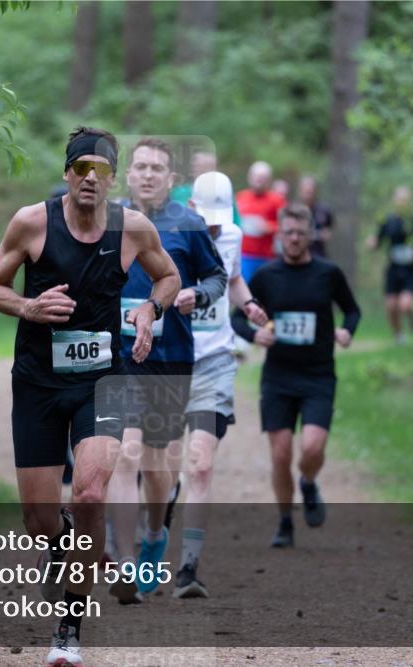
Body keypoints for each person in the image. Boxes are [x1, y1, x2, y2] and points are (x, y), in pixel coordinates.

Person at [0, 126, 180, 666]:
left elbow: (168, 277)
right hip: (39, 384)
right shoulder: (32, 222)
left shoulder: (132, 228)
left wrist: (149, 309)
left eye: (101, 169)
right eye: (81, 168)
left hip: (101, 381)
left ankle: (69, 627)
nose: (90, 178)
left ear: (112, 178)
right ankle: (63, 535)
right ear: (67, 173)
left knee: (91, 494)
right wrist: (27, 307)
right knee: (40, 520)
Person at [106, 137, 228, 605]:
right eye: (141, 166)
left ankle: (155, 534)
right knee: (127, 453)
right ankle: (122, 559)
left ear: (171, 180)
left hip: (170, 357)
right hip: (117, 356)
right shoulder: (108, 221)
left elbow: (217, 277)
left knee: (159, 467)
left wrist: (200, 294)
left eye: (158, 168)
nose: (149, 174)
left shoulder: (188, 224)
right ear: (128, 174)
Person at [232, 204, 361, 548]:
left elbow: (352, 309)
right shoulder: (266, 277)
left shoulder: (328, 273)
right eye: (288, 232)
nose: (293, 238)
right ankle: (285, 520)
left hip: (318, 375)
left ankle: (307, 481)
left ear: (310, 236)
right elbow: (237, 318)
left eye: (300, 233)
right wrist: (253, 335)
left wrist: (347, 331)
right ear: (279, 236)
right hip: (278, 376)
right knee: (280, 454)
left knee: (313, 448)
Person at [171, 171, 268, 598]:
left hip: (214, 359)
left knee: (202, 463)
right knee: (161, 466)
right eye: (204, 217)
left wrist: (248, 304)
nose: (210, 225)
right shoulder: (167, 231)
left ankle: (188, 568)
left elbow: (232, 279)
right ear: (190, 207)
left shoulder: (231, 234)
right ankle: (156, 523)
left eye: (218, 217)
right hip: (169, 360)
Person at [366, 186, 413, 344]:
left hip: (411, 269)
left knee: (404, 305)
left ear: (409, 201)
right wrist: (372, 243)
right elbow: (378, 240)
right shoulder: (389, 220)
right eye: (400, 199)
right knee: (391, 306)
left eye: (405, 199)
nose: (402, 202)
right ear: (395, 201)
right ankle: (399, 336)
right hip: (394, 268)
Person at [236, 161, 286, 283]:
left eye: (263, 177)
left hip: (267, 256)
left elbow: (286, 226)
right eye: (256, 176)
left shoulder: (277, 200)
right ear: (250, 177)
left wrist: (269, 227)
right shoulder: (240, 197)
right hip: (243, 255)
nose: (259, 180)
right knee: (244, 293)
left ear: (269, 180)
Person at [170, 150, 242, 228]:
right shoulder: (179, 192)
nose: (196, 169)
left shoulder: (222, 192)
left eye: (204, 166)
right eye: (194, 165)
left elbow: (235, 222)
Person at [297, 176, 333, 258]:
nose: (308, 194)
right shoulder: (293, 210)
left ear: (316, 191)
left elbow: (328, 230)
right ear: (300, 191)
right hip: (297, 255)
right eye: (306, 191)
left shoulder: (324, 210)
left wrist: (324, 234)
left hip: (318, 254)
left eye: (310, 191)